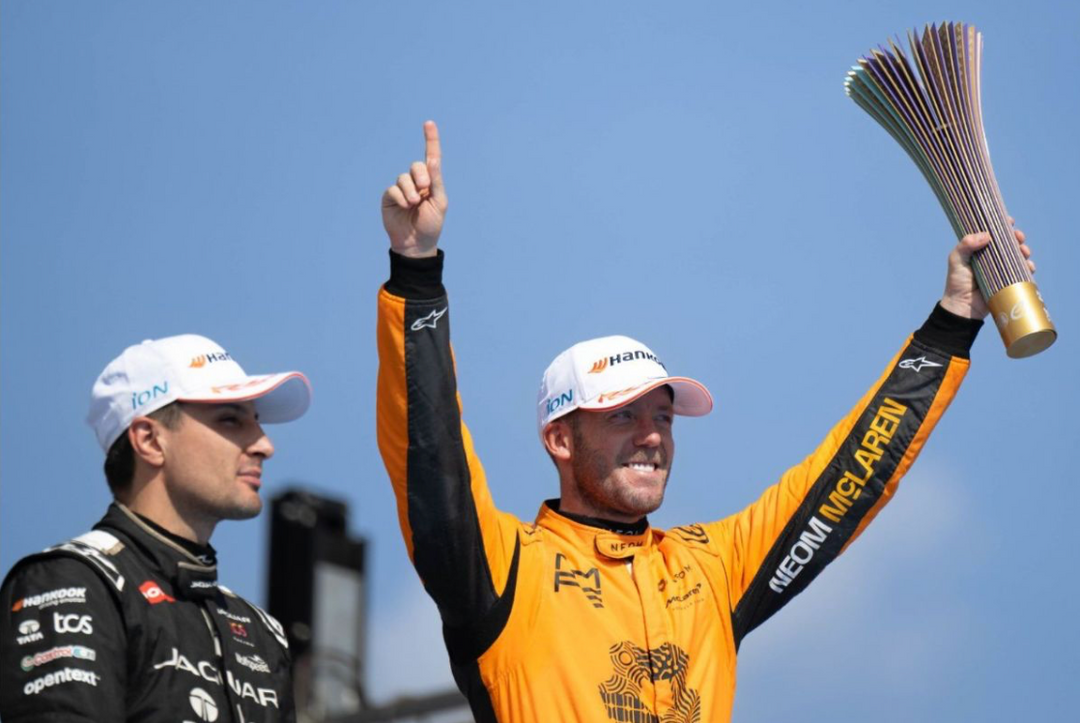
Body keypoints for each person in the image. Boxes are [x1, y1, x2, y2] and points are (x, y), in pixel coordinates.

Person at [376, 122, 1034, 722]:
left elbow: (847, 479)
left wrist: (951, 323)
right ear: (559, 438)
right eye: (623, 414)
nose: (653, 434)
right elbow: (431, 458)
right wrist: (415, 275)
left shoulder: (709, 568)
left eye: (662, 415)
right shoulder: (505, 567)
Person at [0, 334, 312, 722]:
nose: (264, 445)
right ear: (149, 440)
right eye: (231, 419)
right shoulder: (73, 582)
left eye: (256, 422)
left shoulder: (261, 631)